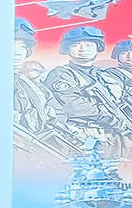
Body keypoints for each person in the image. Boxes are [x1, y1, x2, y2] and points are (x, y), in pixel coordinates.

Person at [43, 26, 125, 156]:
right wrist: (109, 118)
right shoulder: (61, 74)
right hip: (82, 138)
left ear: (97, 47)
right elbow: (73, 106)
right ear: (67, 49)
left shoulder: (103, 76)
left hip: (111, 137)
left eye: (88, 45)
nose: (82, 49)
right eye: (76, 45)